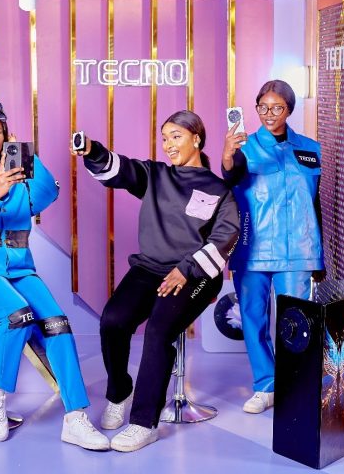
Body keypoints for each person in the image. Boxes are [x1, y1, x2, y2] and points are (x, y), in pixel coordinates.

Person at [0, 97, 109, 450]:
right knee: (17, 316)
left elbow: (46, 195)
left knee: (57, 324)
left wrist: (27, 157)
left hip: (17, 267)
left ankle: (76, 418)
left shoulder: (18, 172)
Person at [74, 110, 239, 452]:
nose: (168, 145)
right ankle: (119, 393)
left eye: (176, 136)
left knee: (158, 330)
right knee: (113, 321)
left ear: (196, 138)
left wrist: (187, 269)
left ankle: (144, 423)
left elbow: (226, 237)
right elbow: (120, 169)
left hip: (194, 275)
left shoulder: (219, 190)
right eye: (164, 138)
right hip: (149, 269)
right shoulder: (156, 175)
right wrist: (91, 150)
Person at [221, 80, 324, 414]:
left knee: (296, 321)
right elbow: (229, 179)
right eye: (262, 107)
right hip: (253, 249)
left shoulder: (310, 148)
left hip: (299, 251)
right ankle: (266, 385)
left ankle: (294, 385)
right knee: (253, 318)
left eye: (277, 107)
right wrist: (227, 154)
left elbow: (315, 202)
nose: (269, 113)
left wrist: (319, 256)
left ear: (289, 109)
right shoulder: (244, 148)